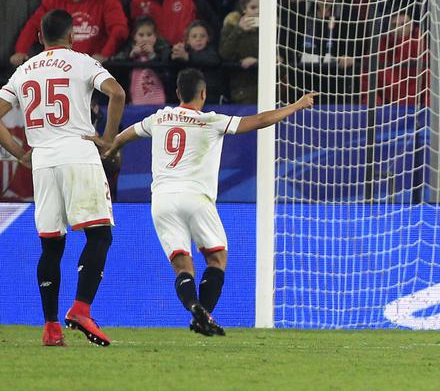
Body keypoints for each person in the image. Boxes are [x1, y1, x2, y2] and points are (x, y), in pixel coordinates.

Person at [93, 69, 315, 337]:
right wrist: (296, 105)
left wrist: (111, 149)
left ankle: (195, 308)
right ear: (203, 94)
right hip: (196, 198)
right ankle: (204, 314)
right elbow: (257, 121)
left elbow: (126, 134)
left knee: (182, 267)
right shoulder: (212, 120)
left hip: (162, 200)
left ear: (177, 93)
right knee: (217, 258)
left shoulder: (160, 117)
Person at [0, 9, 126, 347]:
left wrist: (18, 151)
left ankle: (51, 327)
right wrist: (108, 140)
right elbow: (117, 93)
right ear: (72, 36)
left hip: (42, 160)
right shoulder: (81, 61)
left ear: (40, 37)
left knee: (51, 245)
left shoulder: (22, 71)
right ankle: (81, 309)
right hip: (78, 153)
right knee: (99, 236)